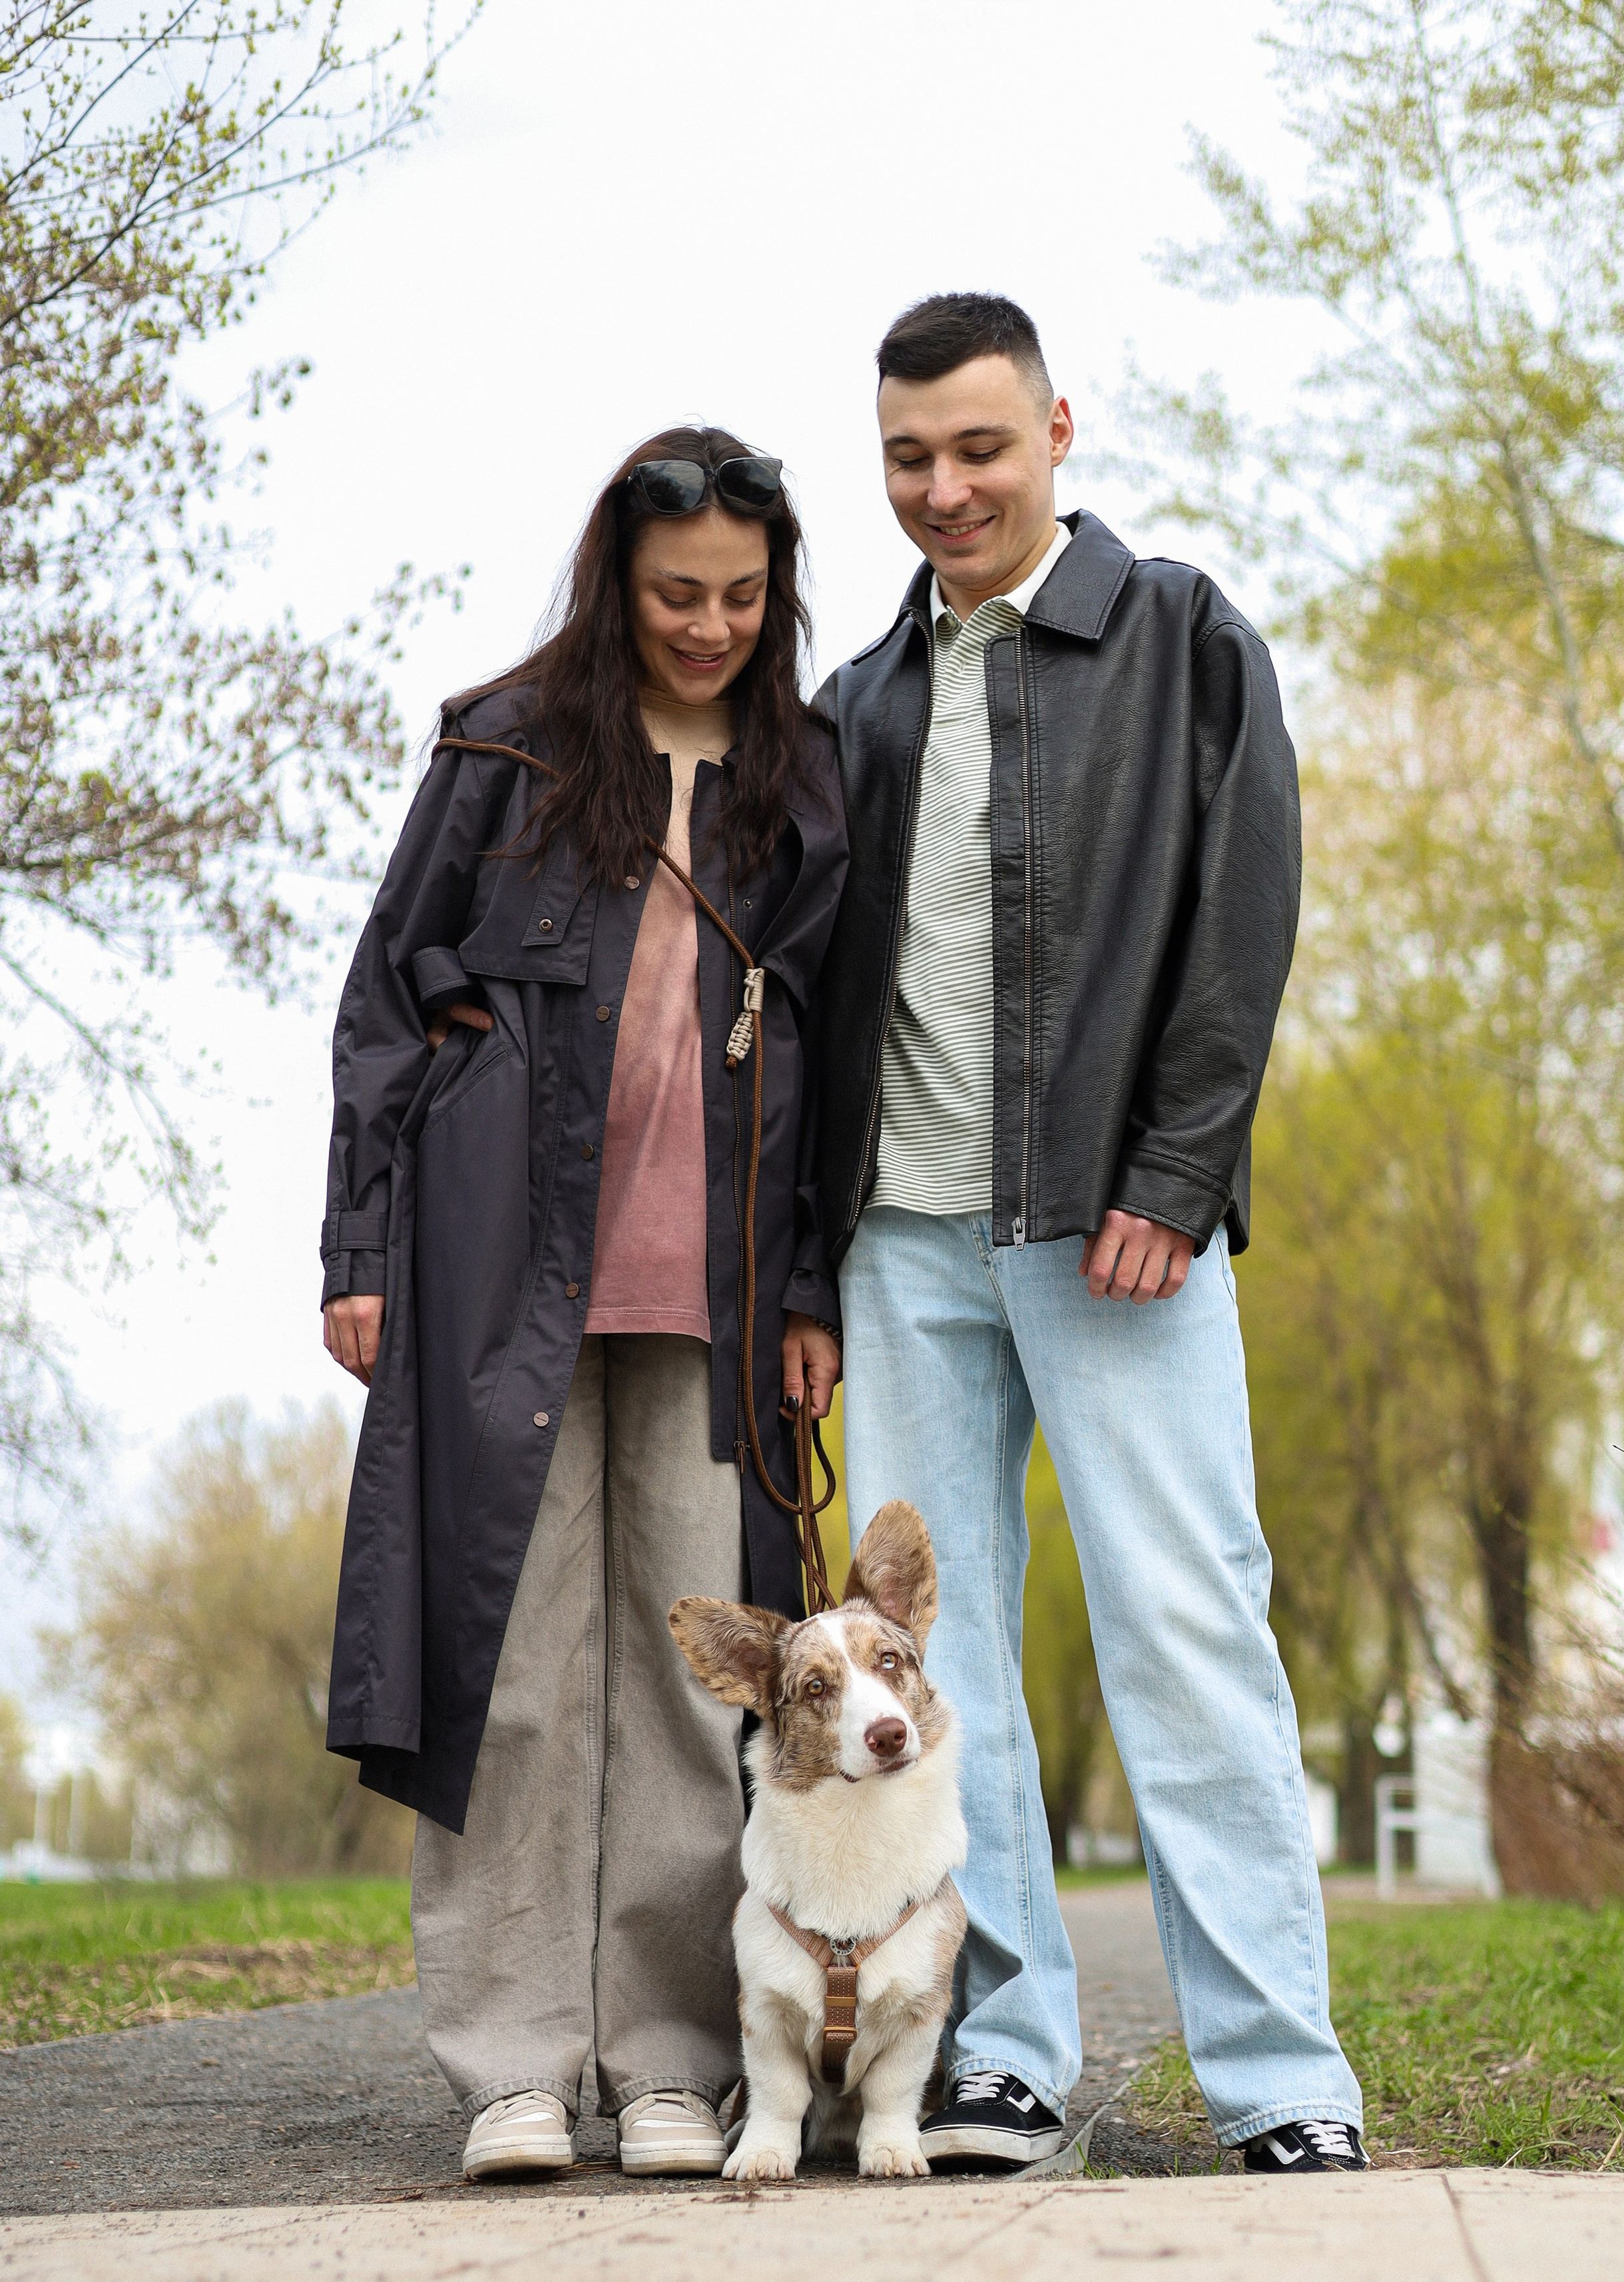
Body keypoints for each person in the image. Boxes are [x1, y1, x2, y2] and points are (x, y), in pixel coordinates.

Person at [813, 294, 1366, 2175]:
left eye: (980, 447)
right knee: (925, 1671)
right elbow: (822, 1002)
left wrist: (1179, 1173)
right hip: (900, 1244)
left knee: (1188, 1632)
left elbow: (1244, 911)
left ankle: (1283, 2080)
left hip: (1116, 1231)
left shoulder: (1183, 638)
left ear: (1058, 430)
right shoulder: (861, 703)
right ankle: (1003, 2055)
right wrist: (807, 1267)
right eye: (909, 457)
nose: (945, 488)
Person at [320, 428, 847, 2182]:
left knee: (699, 1688)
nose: (710, 626)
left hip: (716, 1296)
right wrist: (359, 1252)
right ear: (617, 585)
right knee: (516, 1675)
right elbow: (385, 1007)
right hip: (496, 1279)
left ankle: (676, 2062)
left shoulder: (809, 781)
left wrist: (812, 1286)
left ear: (777, 595)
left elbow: (836, 1058)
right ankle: (515, 2068)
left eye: (742, 597)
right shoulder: (504, 747)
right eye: (677, 593)